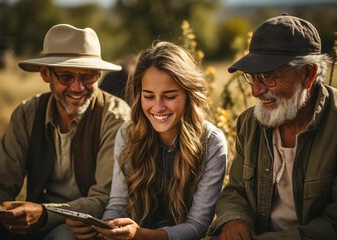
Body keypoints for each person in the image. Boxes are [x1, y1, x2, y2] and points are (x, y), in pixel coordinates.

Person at [206, 14, 337, 240]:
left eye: (267, 76)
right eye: (252, 77)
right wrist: (234, 219)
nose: (255, 91)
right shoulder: (250, 122)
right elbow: (236, 191)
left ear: (308, 73)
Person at [0, 24, 130, 240]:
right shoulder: (26, 114)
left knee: (63, 236)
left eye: (88, 76)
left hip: (84, 226)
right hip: (34, 221)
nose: (78, 87)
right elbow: (0, 184)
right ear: (45, 74)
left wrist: (43, 213)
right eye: (67, 77)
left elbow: (103, 199)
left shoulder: (116, 118)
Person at [67, 41, 228, 240]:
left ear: (189, 94)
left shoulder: (212, 142)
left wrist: (141, 235)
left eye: (169, 96)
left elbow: (198, 226)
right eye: (149, 96)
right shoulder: (127, 134)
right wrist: (107, 228)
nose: (158, 107)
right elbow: (117, 204)